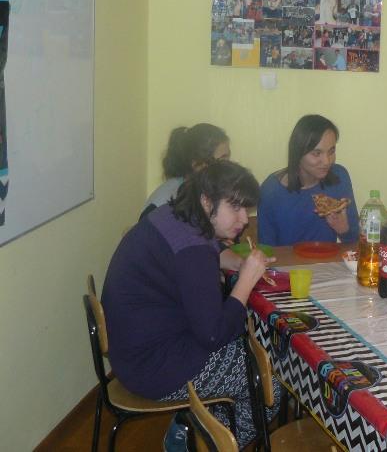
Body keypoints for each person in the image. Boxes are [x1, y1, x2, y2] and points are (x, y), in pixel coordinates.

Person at [103, 161, 281, 449]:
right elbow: (214, 334)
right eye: (235, 207)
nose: (244, 219)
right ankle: (201, 444)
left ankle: (192, 427)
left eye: (245, 209)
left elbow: (200, 254)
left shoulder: (174, 216)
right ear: (206, 201)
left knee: (251, 350)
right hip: (153, 368)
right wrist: (246, 281)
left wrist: (236, 262)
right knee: (269, 386)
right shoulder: (193, 249)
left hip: (133, 351)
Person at [257, 115, 359, 245]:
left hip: (329, 257)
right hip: (287, 259)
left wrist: (344, 230)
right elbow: (266, 249)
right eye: (317, 153)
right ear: (298, 153)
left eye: (331, 151)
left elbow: (355, 241)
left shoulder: (339, 177)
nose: (327, 161)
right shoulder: (271, 191)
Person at [141, 124, 230, 220]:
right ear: (198, 163)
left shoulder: (202, 190)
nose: (229, 166)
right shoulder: (170, 198)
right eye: (223, 160)